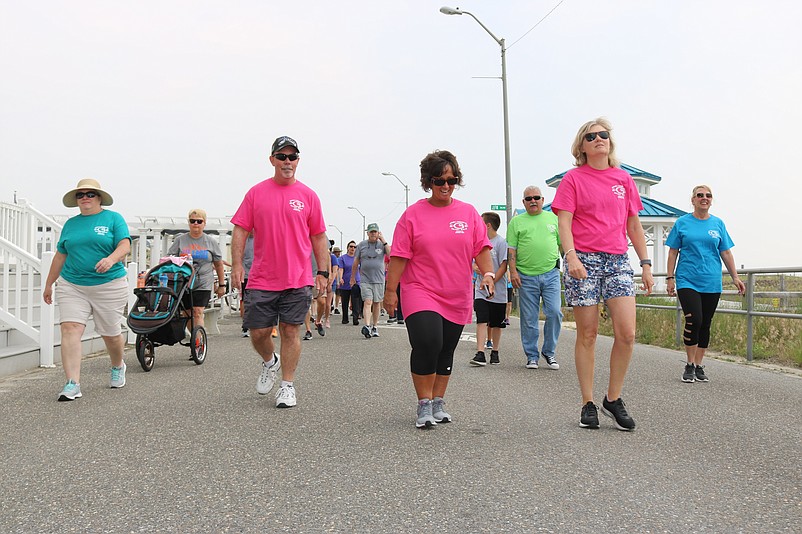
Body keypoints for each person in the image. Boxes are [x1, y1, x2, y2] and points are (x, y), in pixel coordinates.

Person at [551, 118, 654, 432]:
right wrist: (570, 257)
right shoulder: (573, 179)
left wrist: (646, 264)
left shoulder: (623, 179)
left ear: (610, 141)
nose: (599, 139)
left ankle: (613, 398)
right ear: (582, 146)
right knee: (589, 333)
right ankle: (587, 403)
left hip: (618, 260)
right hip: (583, 260)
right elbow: (564, 223)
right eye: (592, 136)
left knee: (627, 333)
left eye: (604, 135)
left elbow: (633, 225)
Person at [384, 150, 493, 429]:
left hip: (456, 292)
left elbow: (480, 248)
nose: (445, 186)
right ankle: (423, 403)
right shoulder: (412, 216)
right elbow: (399, 257)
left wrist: (488, 274)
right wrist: (391, 291)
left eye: (451, 179)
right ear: (427, 182)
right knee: (428, 341)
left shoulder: (468, 213)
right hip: (420, 289)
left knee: (446, 348)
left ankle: (438, 401)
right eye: (439, 180)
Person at [230, 135, 328, 409]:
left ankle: (287, 385)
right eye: (282, 156)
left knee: (290, 330)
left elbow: (319, 236)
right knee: (259, 332)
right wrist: (237, 265)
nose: (287, 162)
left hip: (297, 278)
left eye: (292, 157)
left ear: (298, 161)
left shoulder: (308, 196)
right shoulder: (256, 193)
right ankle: (269, 362)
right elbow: (240, 230)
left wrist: (323, 272)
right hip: (262, 277)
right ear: (272, 159)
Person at [43, 178, 131, 401]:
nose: (85, 198)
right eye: (80, 195)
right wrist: (48, 284)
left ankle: (117, 365)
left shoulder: (113, 218)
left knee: (110, 335)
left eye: (90, 194)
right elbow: (61, 254)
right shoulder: (71, 225)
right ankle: (73, 383)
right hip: (73, 284)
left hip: (109, 285)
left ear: (99, 198)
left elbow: (125, 245)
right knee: (70, 328)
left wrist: (111, 260)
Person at [666, 185, 745, 383]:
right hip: (687, 279)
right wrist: (670, 278)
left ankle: (699, 365)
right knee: (695, 320)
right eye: (699, 195)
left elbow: (725, 252)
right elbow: (673, 252)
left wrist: (735, 277)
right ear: (692, 200)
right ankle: (689, 364)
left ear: (711, 200)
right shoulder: (682, 223)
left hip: (711, 281)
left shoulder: (718, 224)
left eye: (708, 196)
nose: (704, 198)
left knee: (706, 324)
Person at [507, 186, 563, 370]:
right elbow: (512, 249)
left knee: (554, 312)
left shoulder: (553, 219)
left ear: (542, 200)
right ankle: (532, 355)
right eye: (528, 198)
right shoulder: (516, 222)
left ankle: (549, 351)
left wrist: (570, 267)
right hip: (526, 276)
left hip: (551, 273)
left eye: (536, 198)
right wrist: (513, 272)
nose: (533, 201)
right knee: (529, 318)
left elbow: (562, 246)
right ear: (523, 202)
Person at [167, 209, 226, 330]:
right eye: (192, 221)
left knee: (197, 311)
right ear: (188, 222)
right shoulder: (180, 240)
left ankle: (198, 342)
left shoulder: (210, 242)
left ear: (204, 223)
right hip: (185, 282)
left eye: (199, 221)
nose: (195, 224)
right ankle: (194, 338)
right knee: (188, 313)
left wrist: (221, 285)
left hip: (203, 281)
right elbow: (169, 259)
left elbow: (219, 264)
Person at [470, 212, 508, 366]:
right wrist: (475, 268)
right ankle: (480, 352)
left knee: (496, 323)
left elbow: (504, 266)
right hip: (480, 289)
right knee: (482, 319)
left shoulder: (501, 243)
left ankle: (495, 351)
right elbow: (471, 261)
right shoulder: (478, 242)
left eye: (480, 223)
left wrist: (491, 280)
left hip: (498, 290)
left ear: (488, 225)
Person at [351, 223, 390, 339]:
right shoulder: (361, 245)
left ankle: (375, 326)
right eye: (371, 232)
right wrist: (352, 277)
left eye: (375, 232)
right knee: (368, 301)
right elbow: (356, 262)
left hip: (378, 279)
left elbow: (391, 254)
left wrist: (383, 240)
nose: (373, 234)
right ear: (367, 233)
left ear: (378, 233)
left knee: (377, 303)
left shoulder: (382, 245)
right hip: (365, 279)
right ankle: (367, 326)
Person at [337, 240, 360, 324]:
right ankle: (345, 318)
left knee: (355, 301)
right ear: (347, 248)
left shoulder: (358, 258)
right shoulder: (342, 258)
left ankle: (355, 318)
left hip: (355, 282)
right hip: (345, 282)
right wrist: (340, 278)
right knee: (345, 302)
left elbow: (361, 270)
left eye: (354, 247)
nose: (352, 248)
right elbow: (340, 269)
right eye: (351, 246)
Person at [240, 233, 255, 337]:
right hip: (245, 275)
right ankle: (245, 325)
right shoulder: (242, 240)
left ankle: (256, 323)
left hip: (259, 275)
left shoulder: (263, 237)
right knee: (245, 300)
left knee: (258, 300)